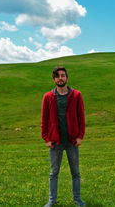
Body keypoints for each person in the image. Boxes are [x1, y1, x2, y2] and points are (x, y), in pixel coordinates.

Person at [41, 66, 86, 207]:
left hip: (72, 141)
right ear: (54, 79)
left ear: (67, 78)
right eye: (58, 76)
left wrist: (80, 136)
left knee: (75, 172)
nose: (60, 78)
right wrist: (46, 139)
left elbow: (81, 117)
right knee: (54, 173)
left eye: (63, 75)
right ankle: (51, 200)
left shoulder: (77, 95)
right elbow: (44, 119)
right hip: (55, 142)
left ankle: (77, 199)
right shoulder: (48, 97)